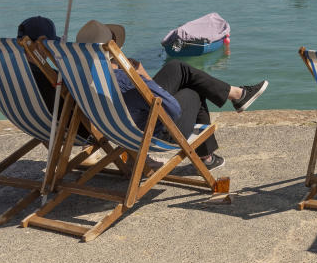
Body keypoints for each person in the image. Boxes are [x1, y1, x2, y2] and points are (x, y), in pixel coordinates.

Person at [75, 19, 268, 172]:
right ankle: (209, 152)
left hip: (119, 130)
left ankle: (236, 96)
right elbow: (172, 109)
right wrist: (139, 78)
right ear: (112, 49)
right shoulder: (124, 80)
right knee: (194, 89)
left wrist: (139, 76)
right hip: (155, 132)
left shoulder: (80, 78)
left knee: (176, 68)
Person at [16, 16, 92, 140]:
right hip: (74, 129)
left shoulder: (15, 72)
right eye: (51, 43)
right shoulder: (49, 77)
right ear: (42, 42)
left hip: (31, 125)